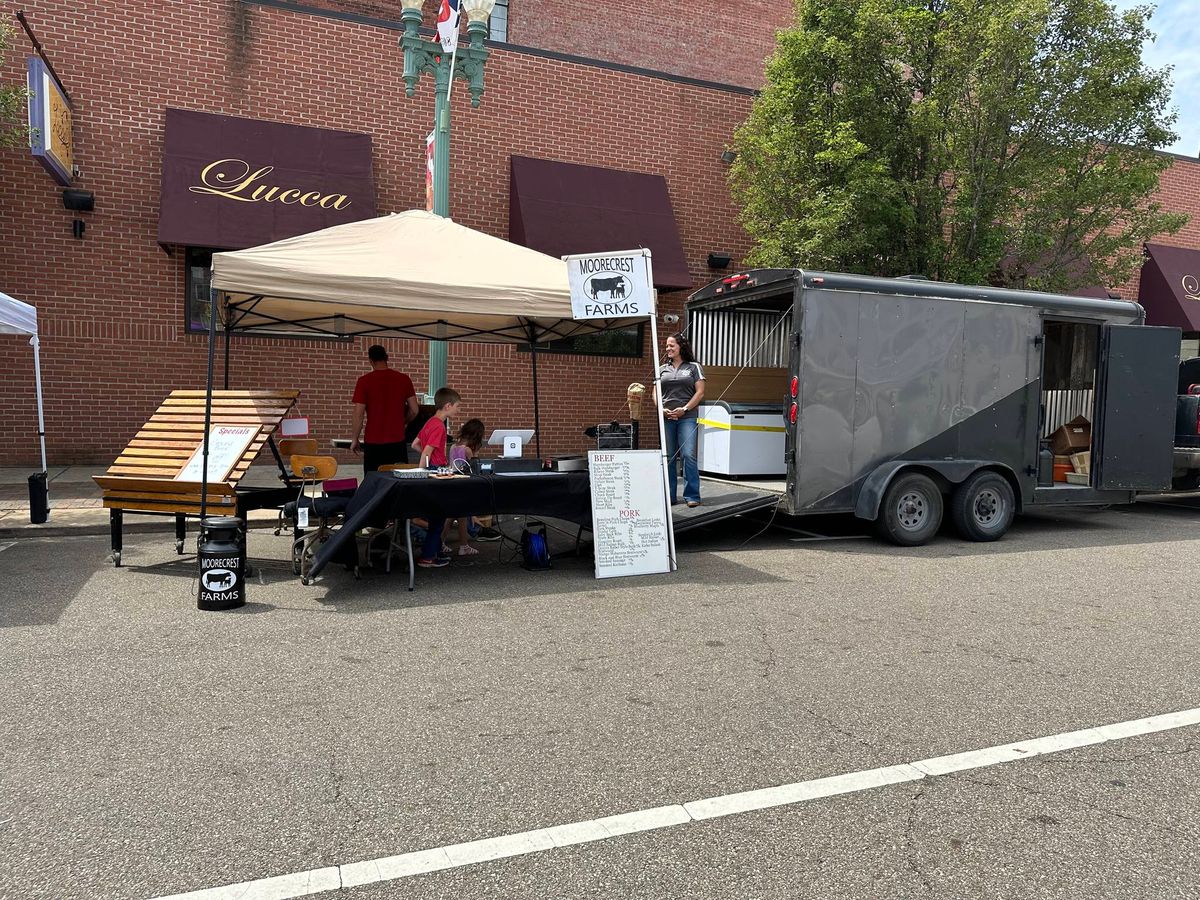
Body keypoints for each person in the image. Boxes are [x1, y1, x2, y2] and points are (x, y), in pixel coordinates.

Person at [350, 345, 418, 476]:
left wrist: (354, 439)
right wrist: (404, 421)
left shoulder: (364, 382)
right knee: (399, 480)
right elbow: (414, 410)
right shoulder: (403, 379)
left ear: (370, 361)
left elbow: (358, 415)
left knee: (373, 481)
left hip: (373, 442)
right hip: (397, 441)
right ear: (387, 358)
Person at [412, 387, 462, 568]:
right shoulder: (439, 426)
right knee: (438, 518)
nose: (458, 410)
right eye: (457, 406)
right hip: (436, 471)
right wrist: (422, 471)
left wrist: (428, 460)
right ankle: (428, 557)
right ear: (448, 406)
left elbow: (416, 444)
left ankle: (433, 553)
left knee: (435, 516)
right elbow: (426, 450)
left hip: (432, 467)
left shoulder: (429, 422)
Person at [656, 332, 706, 507]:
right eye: (667, 346)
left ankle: (692, 496)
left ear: (681, 346)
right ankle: (670, 496)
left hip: (687, 417)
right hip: (667, 417)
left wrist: (684, 409)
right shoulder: (661, 368)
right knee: (668, 457)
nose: (668, 348)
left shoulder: (694, 367)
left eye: (671, 345)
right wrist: (660, 409)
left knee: (688, 455)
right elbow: (655, 393)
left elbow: (700, 392)